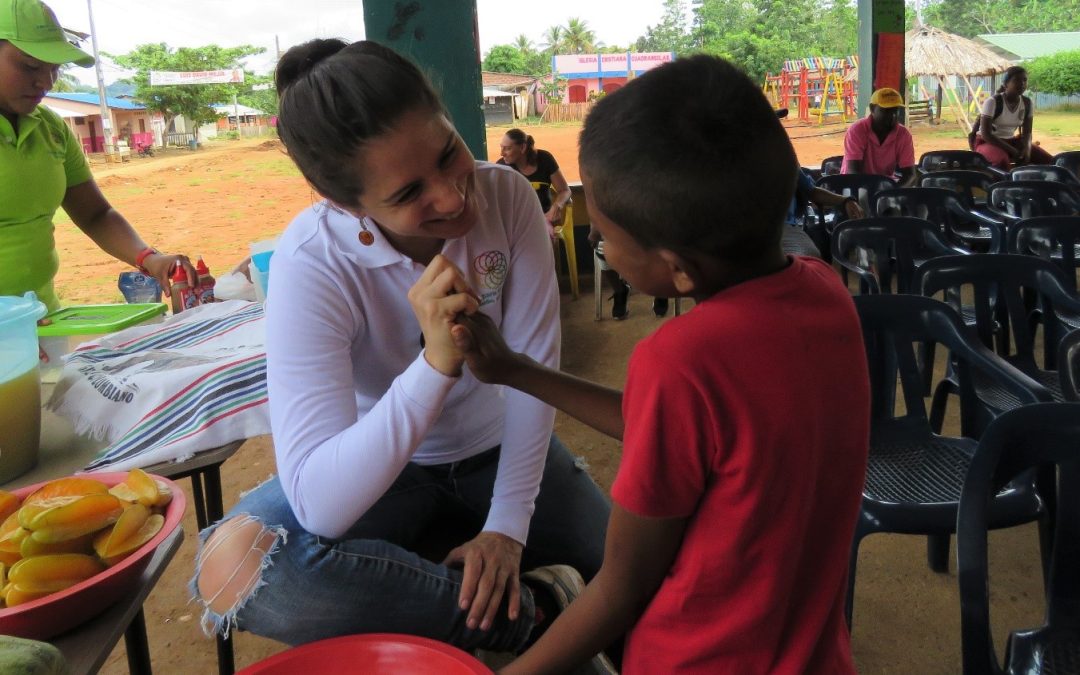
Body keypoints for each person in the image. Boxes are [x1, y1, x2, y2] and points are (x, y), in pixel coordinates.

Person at [190, 39, 613, 670]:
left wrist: (505, 528)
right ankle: (534, 614)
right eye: (409, 191)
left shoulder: (509, 199)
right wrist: (434, 365)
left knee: (657, 574)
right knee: (236, 568)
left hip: (503, 449)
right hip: (389, 472)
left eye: (449, 153)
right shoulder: (313, 261)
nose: (452, 198)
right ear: (344, 202)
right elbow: (320, 503)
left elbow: (531, 376)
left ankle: (464, 591)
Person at [445, 54, 871, 672]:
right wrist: (516, 370)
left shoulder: (682, 360)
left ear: (675, 269)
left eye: (609, 234)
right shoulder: (822, 290)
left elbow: (623, 587)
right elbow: (686, 435)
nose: (598, 242)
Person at [0, 0, 197, 312]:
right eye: (30, 66)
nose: (46, 82)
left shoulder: (49, 127)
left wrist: (148, 257)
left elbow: (94, 214)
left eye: (54, 68)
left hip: (40, 317)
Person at [972, 65, 1054, 171]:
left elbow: (1027, 133)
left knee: (1050, 161)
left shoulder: (1027, 103)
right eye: (1017, 80)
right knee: (1001, 162)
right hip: (986, 142)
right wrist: (1013, 151)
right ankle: (1003, 186)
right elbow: (987, 135)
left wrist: (1027, 149)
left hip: (1011, 141)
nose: (1022, 83)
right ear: (1006, 84)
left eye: (1025, 80)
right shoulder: (993, 102)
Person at [496, 128, 571, 237]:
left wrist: (557, 205)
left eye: (507, 148)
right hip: (516, 223)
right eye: (501, 148)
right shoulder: (501, 167)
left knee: (547, 235)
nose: (501, 153)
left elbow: (564, 190)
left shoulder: (545, 159)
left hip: (544, 218)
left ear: (522, 147)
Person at [841, 87, 917, 186]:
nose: (892, 115)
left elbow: (910, 175)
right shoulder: (857, 130)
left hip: (883, 185)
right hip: (853, 185)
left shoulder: (903, 135)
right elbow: (854, 172)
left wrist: (892, 195)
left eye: (895, 110)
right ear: (872, 108)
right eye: (886, 111)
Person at [787, 165, 865, 258]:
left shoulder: (786, 159)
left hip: (787, 229)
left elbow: (811, 191)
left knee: (811, 257)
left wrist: (846, 200)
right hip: (772, 230)